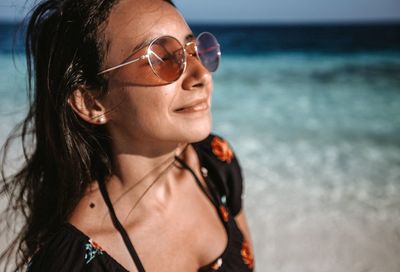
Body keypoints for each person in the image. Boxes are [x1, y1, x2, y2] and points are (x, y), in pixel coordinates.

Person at [0, 0, 254, 271]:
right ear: (92, 103)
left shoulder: (215, 164)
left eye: (193, 50)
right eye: (161, 58)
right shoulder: (73, 263)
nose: (201, 73)